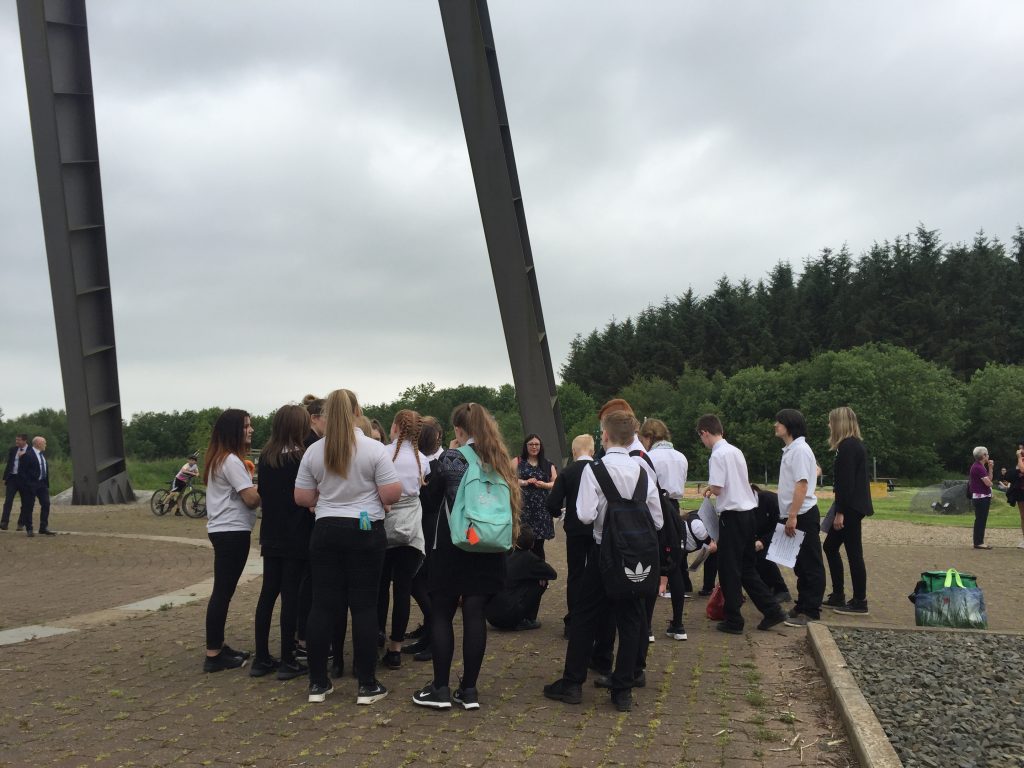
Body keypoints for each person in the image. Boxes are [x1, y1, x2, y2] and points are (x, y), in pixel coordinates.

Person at [543, 410, 663, 713]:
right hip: (635, 556)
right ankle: (622, 689)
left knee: (585, 616)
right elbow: (658, 521)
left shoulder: (594, 471)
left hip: (602, 553)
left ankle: (572, 684)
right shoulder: (643, 472)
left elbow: (583, 515)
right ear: (632, 436)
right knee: (632, 618)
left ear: (604, 436)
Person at [294, 389, 401, 705]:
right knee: (365, 606)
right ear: (357, 412)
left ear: (325, 415)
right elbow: (393, 493)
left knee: (323, 606)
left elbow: (301, 497)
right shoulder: (373, 448)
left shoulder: (314, 451)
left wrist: (324, 500)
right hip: (365, 528)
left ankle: (318, 683)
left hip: (326, 528)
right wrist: (377, 499)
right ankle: (366, 685)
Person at [412, 402, 521, 711]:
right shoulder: (499, 458)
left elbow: (432, 503)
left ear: (459, 430)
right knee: (475, 616)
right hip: (489, 545)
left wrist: (425, 486)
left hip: (454, 544)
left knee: (443, 615)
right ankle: (469, 690)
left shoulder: (450, 458)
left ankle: (440, 688)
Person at [696, 414, 785, 635]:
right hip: (748, 514)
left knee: (728, 569)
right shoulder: (735, 451)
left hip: (733, 516)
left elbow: (718, 487)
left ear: (704, 433)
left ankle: (734, 619)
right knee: (746, 567)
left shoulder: (717, 455)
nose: (703, 442)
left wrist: (709, 488)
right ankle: (772, 609)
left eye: (701, 438)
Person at [251, 404, 313, 680]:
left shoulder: (266, 457)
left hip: (271, 534)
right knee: (291, 596)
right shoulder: (302, 458)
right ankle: (288, 658)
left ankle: (261, 657)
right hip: (297, 535)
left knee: (267, 594)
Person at [203, 410, 261, 672]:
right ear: (233, 431)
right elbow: (250, 498)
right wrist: (267, 486)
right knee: (223, 592)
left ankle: (218, 646)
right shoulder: (232, 461)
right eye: (246, 426)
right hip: (231, 531)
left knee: (223, 591)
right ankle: (213, 654)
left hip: (223, 529)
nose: (251, 430)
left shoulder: (219, 458)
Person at [378, 410, 429, 670]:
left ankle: (376, 634)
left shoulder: (383, 454)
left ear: (396, 426)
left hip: (385, 525)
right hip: (410, 530)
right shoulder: (422, 460)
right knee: (402, 591)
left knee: (379, 588)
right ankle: (395, 649)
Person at [773, 409, 825, 627]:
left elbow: (802, 484)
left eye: (779, 422)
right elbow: (814, 472)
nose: (775, 425)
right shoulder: (792, 450)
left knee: (810, 563)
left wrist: (792, 515)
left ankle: (811, 610)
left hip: (802, 513)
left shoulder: (800, 450)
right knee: (799, 563)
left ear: (789, 425)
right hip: (794, 513)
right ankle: (802, 604)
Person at [638, 418, 690, 641]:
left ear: (649, 437)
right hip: (675, 510)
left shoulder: (649, 457)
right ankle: (678, 625)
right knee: (676, 565)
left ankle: (647, 627)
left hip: (655, 508)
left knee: (653, 565)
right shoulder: (681, 457)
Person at [822, 406, 874, 614]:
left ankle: (859, 600)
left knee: (853, 553)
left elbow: (846, 483)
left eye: (830, 422)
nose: (828, 425)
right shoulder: (853, 445)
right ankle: (838, 595)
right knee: (831, 547)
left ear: (838, 423)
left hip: (850, 507)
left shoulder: (848, 447)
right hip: (854, 506)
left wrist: (840, 512)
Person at [546, 434, 597, 639]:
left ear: (574, 452)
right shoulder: (601, 469)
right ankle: (596, 619)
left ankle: (573, 621)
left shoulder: (567, 472)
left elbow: (552, 504)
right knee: (597, 573)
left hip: (575, 529)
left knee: (576, 574)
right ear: (592, 451)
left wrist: (560, 513)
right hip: (598, 529)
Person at [403, 416, 445, 661]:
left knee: (421, 582)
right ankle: (429, 633)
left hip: (430, 530)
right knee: (418, 582)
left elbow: (431, 502)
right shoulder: (426, 461)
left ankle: (433, 637)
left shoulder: (439, 464)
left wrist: (421, 487)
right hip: (420, 527)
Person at [486, 526, 557, 630]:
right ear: (532, 544)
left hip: (491, 616)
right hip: (509, 616)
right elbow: (552, 574)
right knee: (541, 582)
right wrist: (541, 576)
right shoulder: (530, 558)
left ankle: (521, 617)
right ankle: (527, 619)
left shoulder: (504, 553)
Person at [514, 434, 558, 562]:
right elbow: (508, 479)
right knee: (521, 543)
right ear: (526, 446)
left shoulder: (548, 464)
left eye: (536, 444)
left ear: (540, 446)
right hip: (523, 509)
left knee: (539, 545)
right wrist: (524, 482)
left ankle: (541, 578)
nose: (534, 447)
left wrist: (544, 485)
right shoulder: (517, 461)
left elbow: (555, 482)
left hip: (541, 510)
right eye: (531, 444)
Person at [749, 485, 792, 603]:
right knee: (752, 553)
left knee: (763, 555)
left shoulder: (769, 499)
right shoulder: (747, 506)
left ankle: (782, 590)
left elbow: (781, 524)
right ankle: (767, 586)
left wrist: (763, 541)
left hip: (786, 532)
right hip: (765, 537)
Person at [17, 436, 54, 537]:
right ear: (38, 443)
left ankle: (43, 527)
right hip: (31, 485)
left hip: (42, 484)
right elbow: (22, 472)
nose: (45, 445)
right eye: (44, 443)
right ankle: (29, 528)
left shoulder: (42, 455)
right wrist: (27, 484)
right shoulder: (27, 455)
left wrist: (45, 483)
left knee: (46, 504)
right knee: (29, 506)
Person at [967, 446, 994, 549]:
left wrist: (990, 468)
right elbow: (988, 483)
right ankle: (978, 542)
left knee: (981, 519)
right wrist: (990, 483)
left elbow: (989, 479)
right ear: (983, 456)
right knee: (980, 519)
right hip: (981, 498)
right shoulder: (978, 467)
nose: (988, 456)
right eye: (987, 454)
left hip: (982, 497)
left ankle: (978, 541)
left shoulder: (980, 466)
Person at [1, 434, 28, 531]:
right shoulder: (13, 450)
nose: (17, 442)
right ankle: (4, 522)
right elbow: (9, 463)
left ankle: (21, 523)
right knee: (8, 501)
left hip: (24, 480)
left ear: (25, 441)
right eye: (16, 440)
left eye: (19, 440)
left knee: (25, 502)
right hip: (12, 478)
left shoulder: (31, 451)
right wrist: (4, 478)